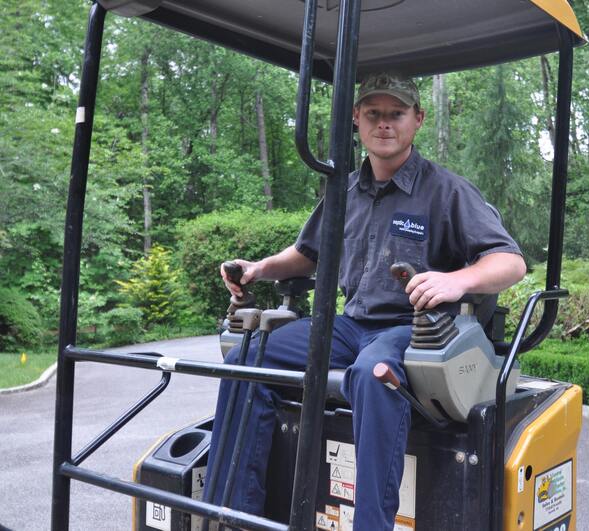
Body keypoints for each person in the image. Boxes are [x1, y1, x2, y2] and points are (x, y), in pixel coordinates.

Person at [204, 72, 526, 530]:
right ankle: (231, 514)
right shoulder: (345, 192)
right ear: (356, 119)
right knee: (245, 358)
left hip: (415, 331)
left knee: (373, 375)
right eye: (373, 114)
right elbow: (305, 254)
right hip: (351, 324)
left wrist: (456, 281)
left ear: (418, 119)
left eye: (396, 114)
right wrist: (260, 268)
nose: (385, 124)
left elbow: (510, 263)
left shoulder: (446, 191)